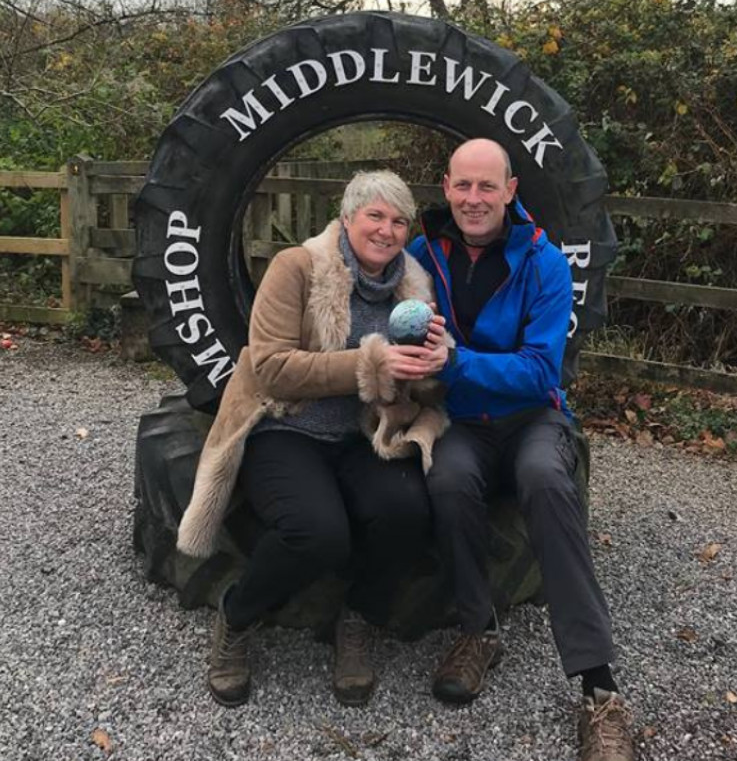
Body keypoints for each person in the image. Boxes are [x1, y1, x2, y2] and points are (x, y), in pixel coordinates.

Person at [176, 170, 450, 708]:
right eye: (374, 216)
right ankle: (237, 616)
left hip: (362, 432)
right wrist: (370, 362)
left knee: (408, 510)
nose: (386, 231)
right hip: (286, 424)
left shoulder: (413, 286)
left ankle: (359, 621)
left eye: (398, 221)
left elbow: (421, 388)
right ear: (347, 218)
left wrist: (435, 363)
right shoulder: (297, 267)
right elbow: (272, 367)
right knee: (318, 533)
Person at [408, 139, 635, 761]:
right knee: (447, 480)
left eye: (488, 187)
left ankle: (599, 689)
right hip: (462, 424)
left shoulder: (545, 263)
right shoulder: (419, 255)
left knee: (545, 480)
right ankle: (478, 631)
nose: (474, 200)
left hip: (534, 418)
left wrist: (455, 362)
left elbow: (541, 373)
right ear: (446, 187)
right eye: (462, 186)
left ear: (511, 191)